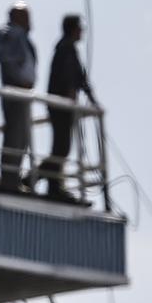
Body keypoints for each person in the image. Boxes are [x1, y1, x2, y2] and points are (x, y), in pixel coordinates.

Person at [35, 14, 95, 203]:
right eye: (80, 28)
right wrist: (73, 100)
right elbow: (70, 78)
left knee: (61, 148)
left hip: (60, 105)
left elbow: (80, 79)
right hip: (61, 106)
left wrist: (92, 99)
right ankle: (36, 179)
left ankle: (52, 184)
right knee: (61, 148)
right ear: (73, 29)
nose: (82, 32)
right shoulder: (66, 48)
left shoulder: (67, 48)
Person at [0, 1, 37, 192]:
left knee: (22, 137)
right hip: (16, 92)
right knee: (15, 135)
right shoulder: (11, 33)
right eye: (26, 16)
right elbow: (9, 61)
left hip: (23, 92)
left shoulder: (20, 36)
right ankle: (9, 178)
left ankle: (13, 176)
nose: (30, 21)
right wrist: (19, 81)